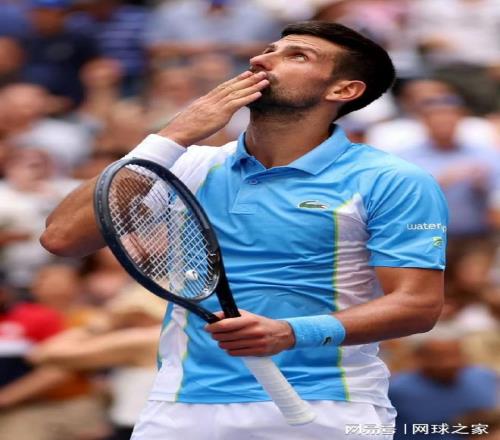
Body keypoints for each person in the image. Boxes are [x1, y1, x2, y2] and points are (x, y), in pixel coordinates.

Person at [41, 21, 448, 439]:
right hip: (180, 405)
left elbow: (417, 305)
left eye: (297, 56)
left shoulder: (392, 179)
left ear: (343, 90)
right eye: (269, 49)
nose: (260, 60)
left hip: (329, 404)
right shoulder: (188, 163)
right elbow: (62, 238)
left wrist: (291, 333)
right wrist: (172, 135)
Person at [388, 332, 498, 440]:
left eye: (455, 355)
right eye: (438, 357)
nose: (450, 363)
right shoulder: (397, 391)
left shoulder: (484, 378)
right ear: (419, 358)